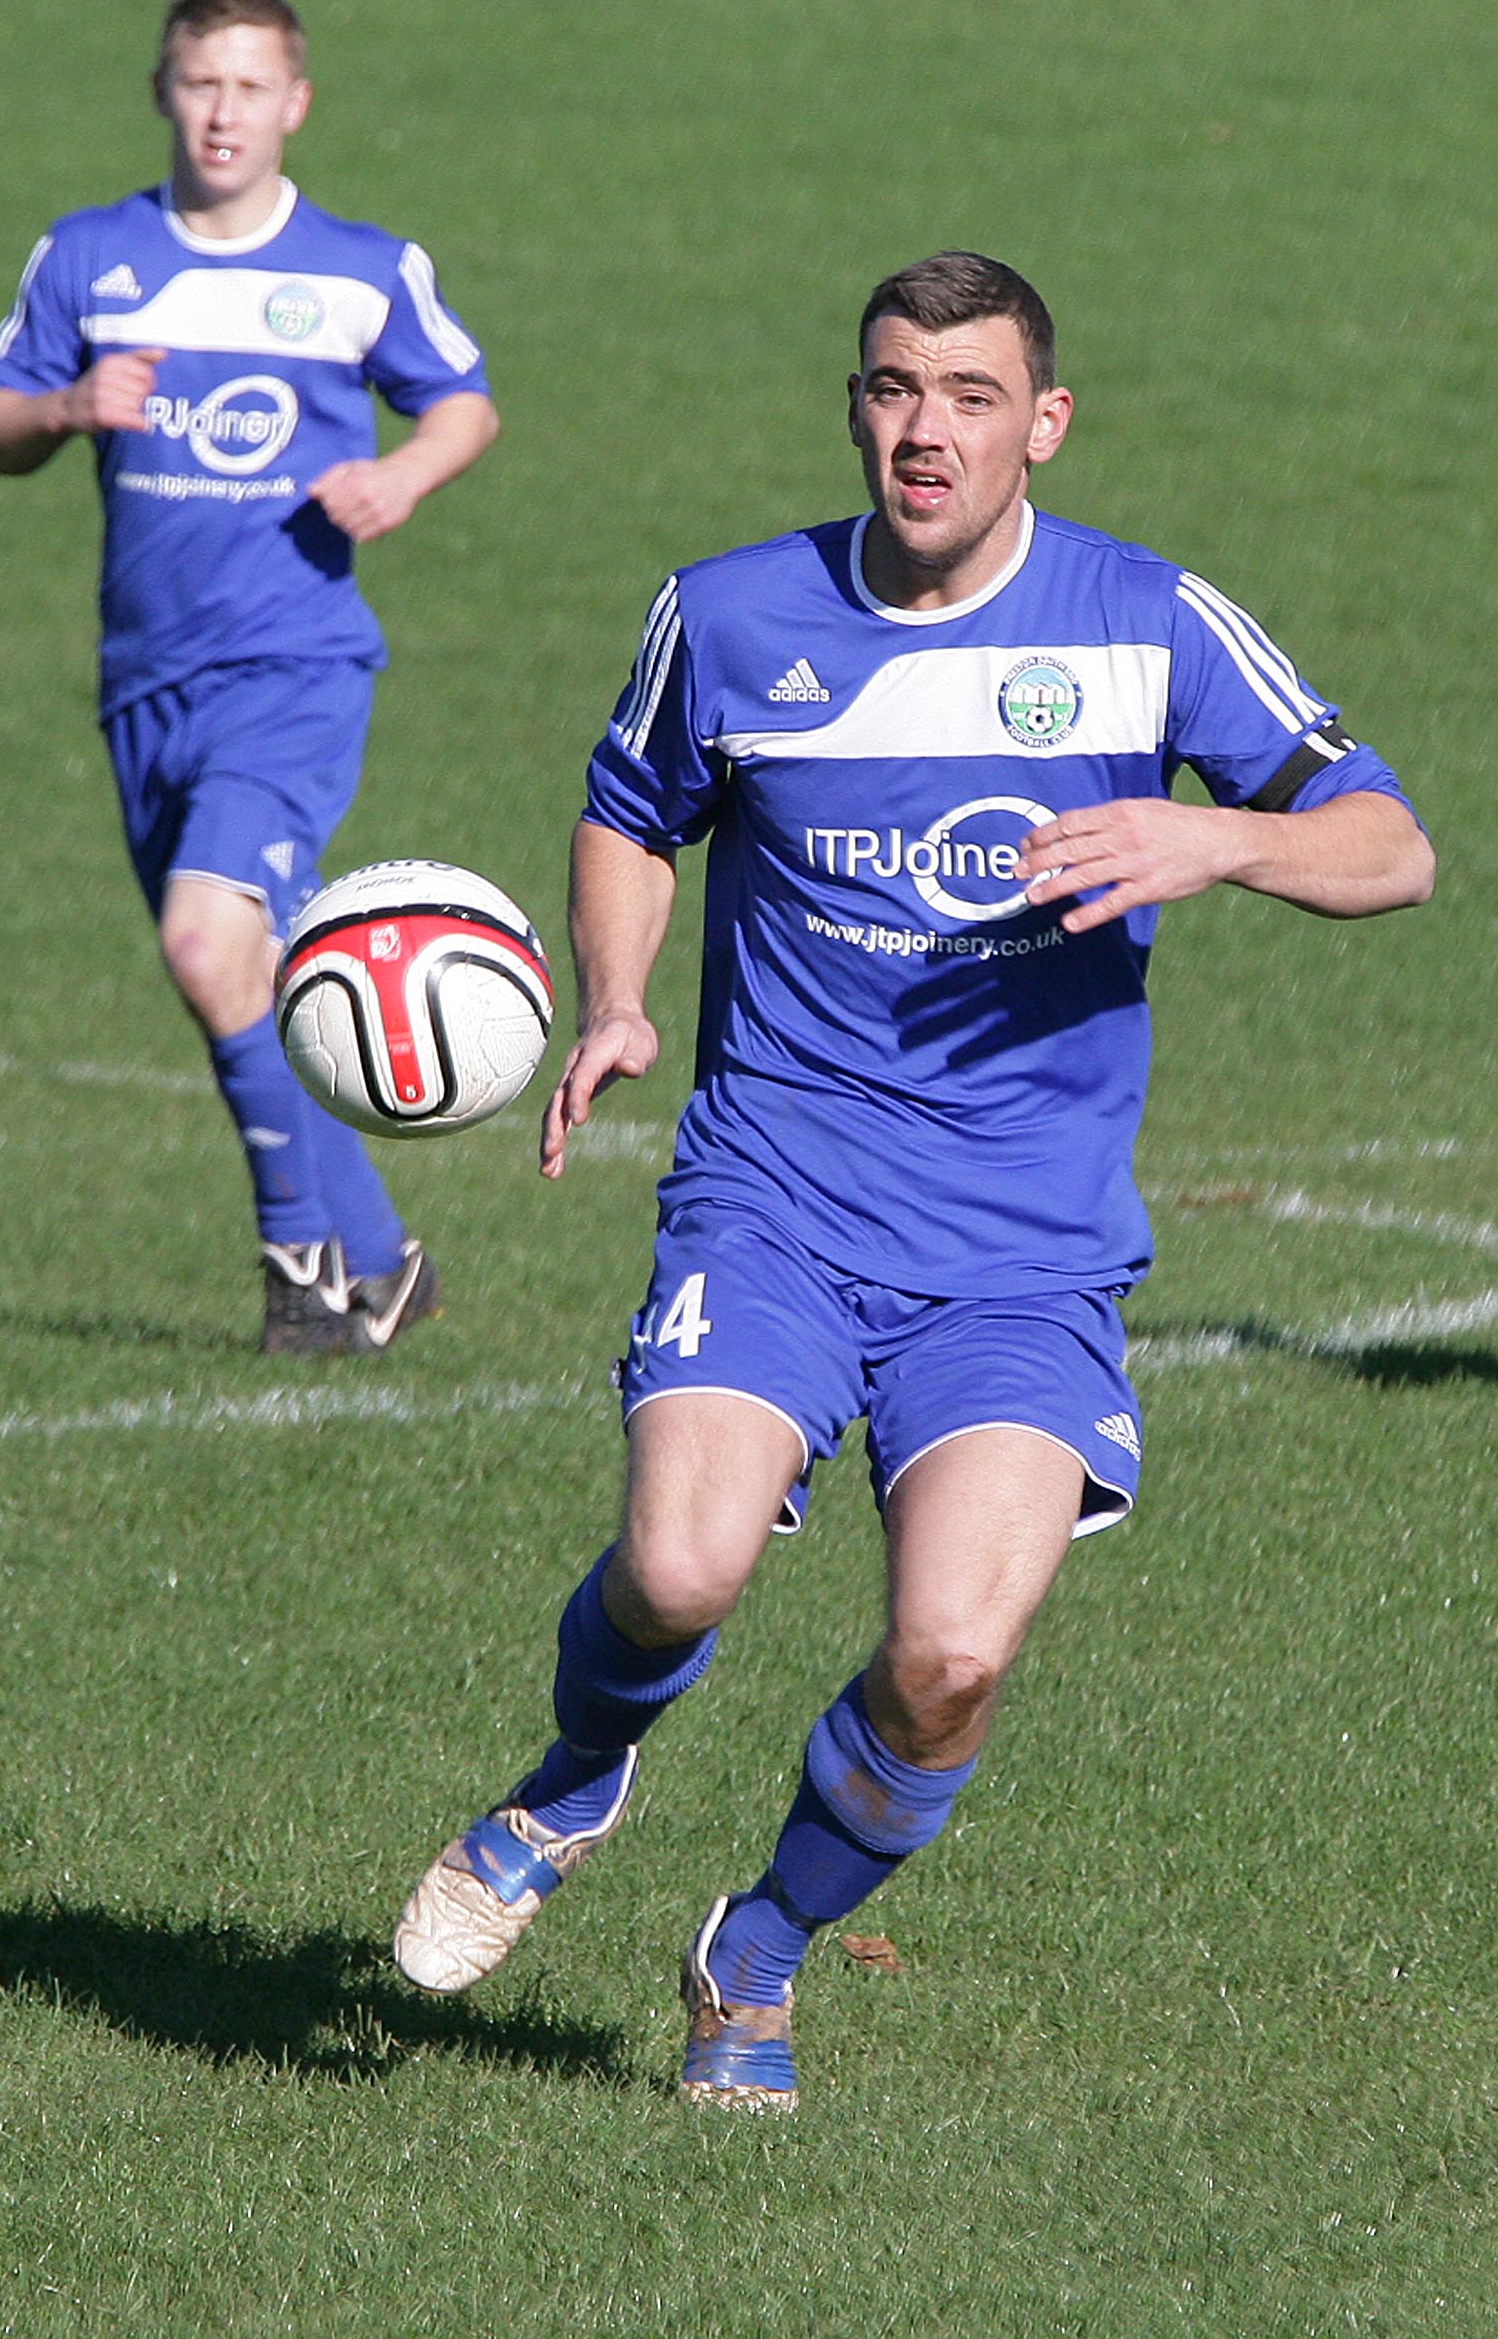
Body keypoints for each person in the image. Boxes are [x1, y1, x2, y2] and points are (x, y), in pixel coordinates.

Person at [390, 253, 1434, 2111]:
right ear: (855, 406)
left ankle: (757, 1951)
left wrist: (1213, 835)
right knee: (679, 1561)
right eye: (892, 390)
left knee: (949, 1656)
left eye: (968, 395)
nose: (923, 429)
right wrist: (620, 1001)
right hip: (774, 1192)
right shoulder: (727, 617)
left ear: (1042, 423)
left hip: (1024, 1259)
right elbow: (635, 812)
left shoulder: (1148, 622)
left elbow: (1391, 847)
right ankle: (569, 1787)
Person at [0, 0, 499, 1354]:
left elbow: (464, 402)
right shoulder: (89, 258)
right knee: (238, 981)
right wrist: (71, 405)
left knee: (208, 948)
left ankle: (305, 1273)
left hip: (296, 668)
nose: (223, 113)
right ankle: (385, 1268)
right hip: (144, 681)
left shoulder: (360, 270)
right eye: (201, 83)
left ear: (296, 105)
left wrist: (405, 480)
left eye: (252, 88)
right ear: (162, 92)